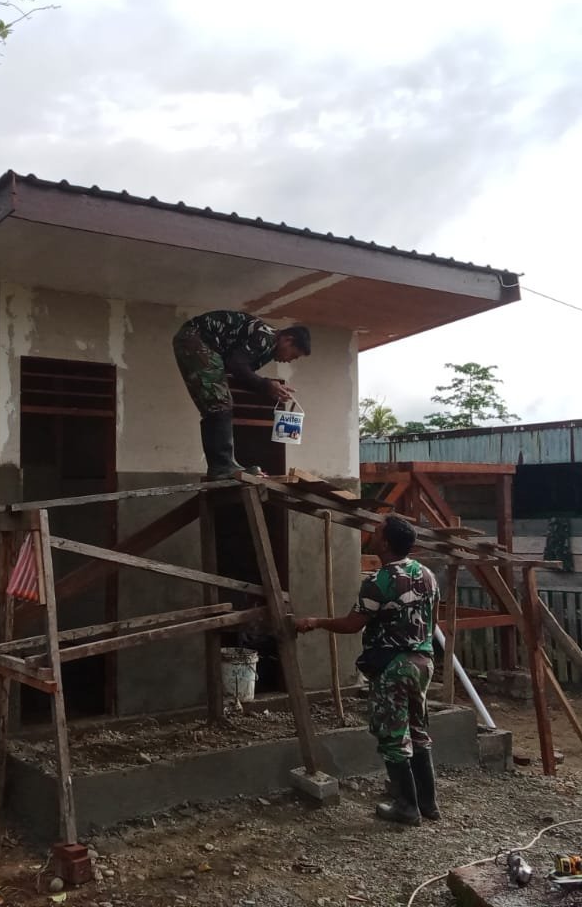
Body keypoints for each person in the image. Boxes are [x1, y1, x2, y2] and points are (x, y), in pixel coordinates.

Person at [294, 515, 440, 826]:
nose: (371, 535)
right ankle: (428, 804)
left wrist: (315, 622)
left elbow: (352, 624)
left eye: (376, 532)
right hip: (423, 663)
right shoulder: (427, 574)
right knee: (418, 732)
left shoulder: (379, 582)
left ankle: (406, 807)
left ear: (385, 543)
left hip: (394, 667)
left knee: (393, 736)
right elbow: (432, 619)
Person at [172, 310, 311, 479]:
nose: (289, 360)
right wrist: (265, 384)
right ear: (287, 340)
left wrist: (267, 389)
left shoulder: (267, 348)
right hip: (196, 339)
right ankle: (222, 467)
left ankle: (223, 465)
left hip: (199, 342)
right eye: (293, 354)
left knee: (218, 403)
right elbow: (236, 365)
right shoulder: (265, 337)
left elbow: (239, 372)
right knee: (219, 403)